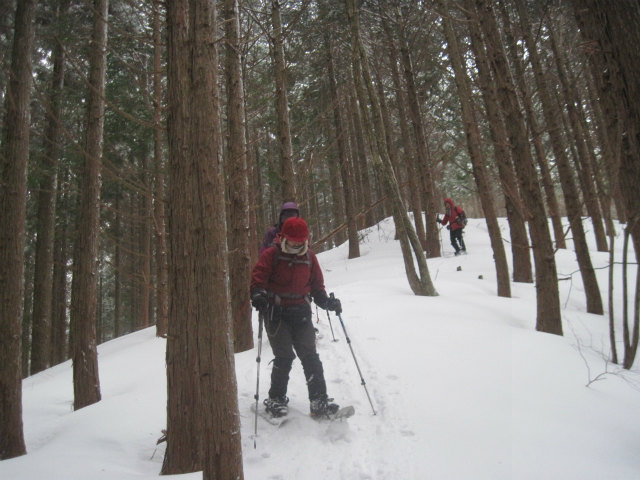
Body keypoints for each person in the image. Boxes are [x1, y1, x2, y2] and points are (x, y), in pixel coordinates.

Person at [250, 217, 343, 419]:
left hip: (301, 312)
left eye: (302, 241)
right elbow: (258, 278)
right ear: (284, 237)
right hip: (276, 313)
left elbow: (318, 288)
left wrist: (327, 303)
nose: (298, 244)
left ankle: (319, 401)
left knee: (310, 356)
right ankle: (276, 399)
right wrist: (257, 294)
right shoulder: (271, 255)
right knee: (284, 356)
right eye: (294, 241)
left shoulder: (309, 257)